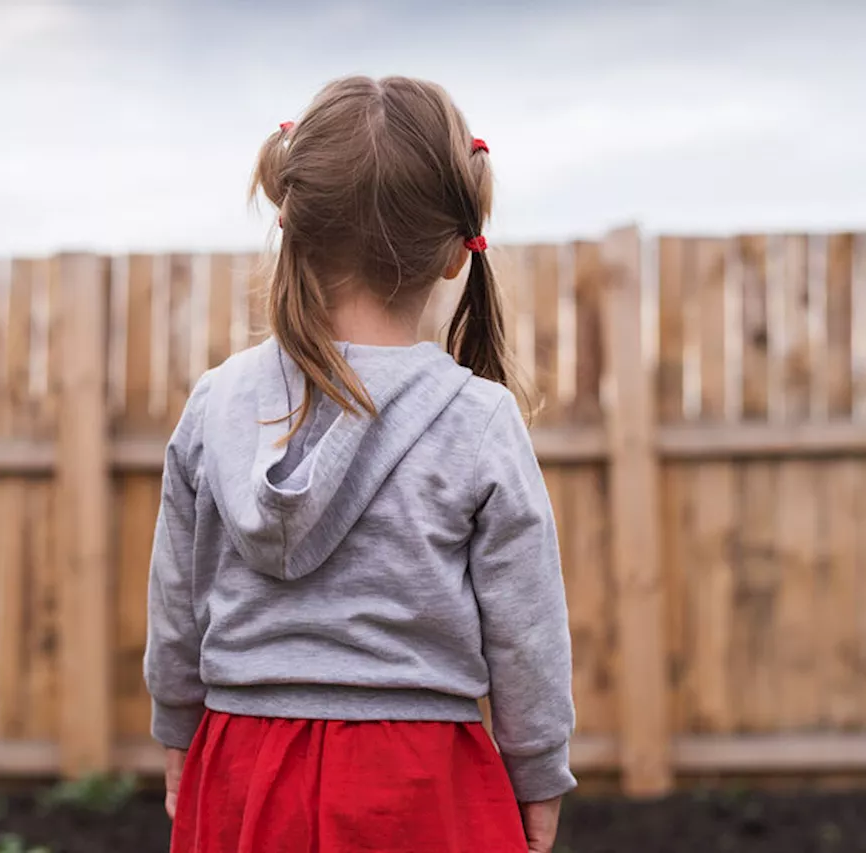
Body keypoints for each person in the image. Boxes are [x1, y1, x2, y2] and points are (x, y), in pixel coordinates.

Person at [144, 75, 576, 853]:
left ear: (292, 224)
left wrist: (177, 725)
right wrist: (537, 771)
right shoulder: (476, 419)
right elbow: (526, 629)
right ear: (455, 252)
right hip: (417, 782)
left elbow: (178, 596)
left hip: (242, 763)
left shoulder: (216, 402)